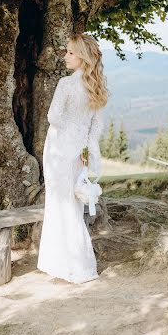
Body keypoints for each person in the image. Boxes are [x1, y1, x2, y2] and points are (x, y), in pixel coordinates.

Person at [36, 33, 109, 284]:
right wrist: (87, 151)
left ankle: (68, 265)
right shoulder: (95, 86)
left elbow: (53, 117)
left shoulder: (66, 85)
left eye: (70, 53)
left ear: (82, 57)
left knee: (59, 205)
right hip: (79, 152)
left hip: (58, 151)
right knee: (73, 206)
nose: (65, 56)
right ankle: (75, 264)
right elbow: (96, 127)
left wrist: (68, 130)